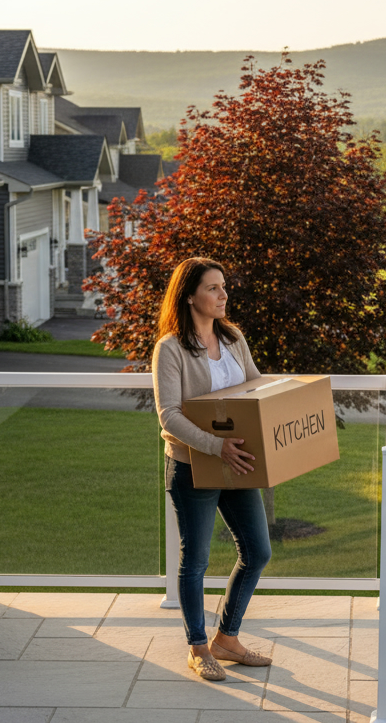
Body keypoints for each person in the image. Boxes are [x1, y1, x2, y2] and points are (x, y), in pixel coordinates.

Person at [152, 257, 273, 682]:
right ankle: (198, 647)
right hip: (192, 466)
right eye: (214, 288)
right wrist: (215, 446)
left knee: (258, 551)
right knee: (196, 561)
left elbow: (255, 386)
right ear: (190, 296)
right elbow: (169, 415)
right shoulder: (170, 348)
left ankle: (228, 637)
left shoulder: (233, 336)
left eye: (224, 287)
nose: (224, 295)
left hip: (237, 463)